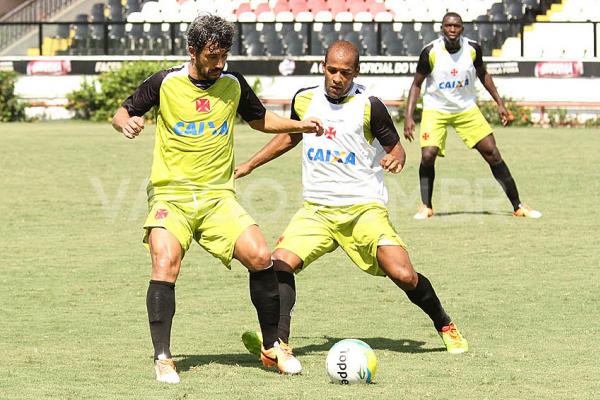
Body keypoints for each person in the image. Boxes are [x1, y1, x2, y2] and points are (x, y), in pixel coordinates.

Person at [111, 15, 323, 383]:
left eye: (224, 56)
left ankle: (272, 346)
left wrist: (298, 125)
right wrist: (125, 122)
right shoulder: (165, 82)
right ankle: (163, 358)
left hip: (217, 197)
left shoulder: (233, 83)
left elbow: (259, 119)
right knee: (165, 262)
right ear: (192, 51)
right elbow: (123, 112)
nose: (220, 63)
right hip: (171, 196)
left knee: (261, 256)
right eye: (213, 56)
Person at [235, 40, 469, 364]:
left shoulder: (370, 106)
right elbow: (291, 135)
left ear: (356, 72)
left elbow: (396, 149)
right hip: (317, 210)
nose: (337, 78)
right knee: (279, 263)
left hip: (363, 210)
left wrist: (396, 159)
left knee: (403, 274)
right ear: (323, 67)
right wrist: (250, 164)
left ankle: (444, 323)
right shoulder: (304, 99)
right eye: (332, 70)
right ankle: (278, 343)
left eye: (345, 72)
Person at [403, 12, 541, 220]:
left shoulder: (473, 49)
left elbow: (483, 75)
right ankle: (426, 206)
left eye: (456, 26)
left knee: (492, 153)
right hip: (436, 109)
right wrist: (408, 116)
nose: (452, 29)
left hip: (466, 109)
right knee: (428, 154)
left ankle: (518, 206)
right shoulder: (430, 52)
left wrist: (500, 103)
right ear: (442, 28)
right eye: (448, 26)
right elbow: (416, 84)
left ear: (462, 29)